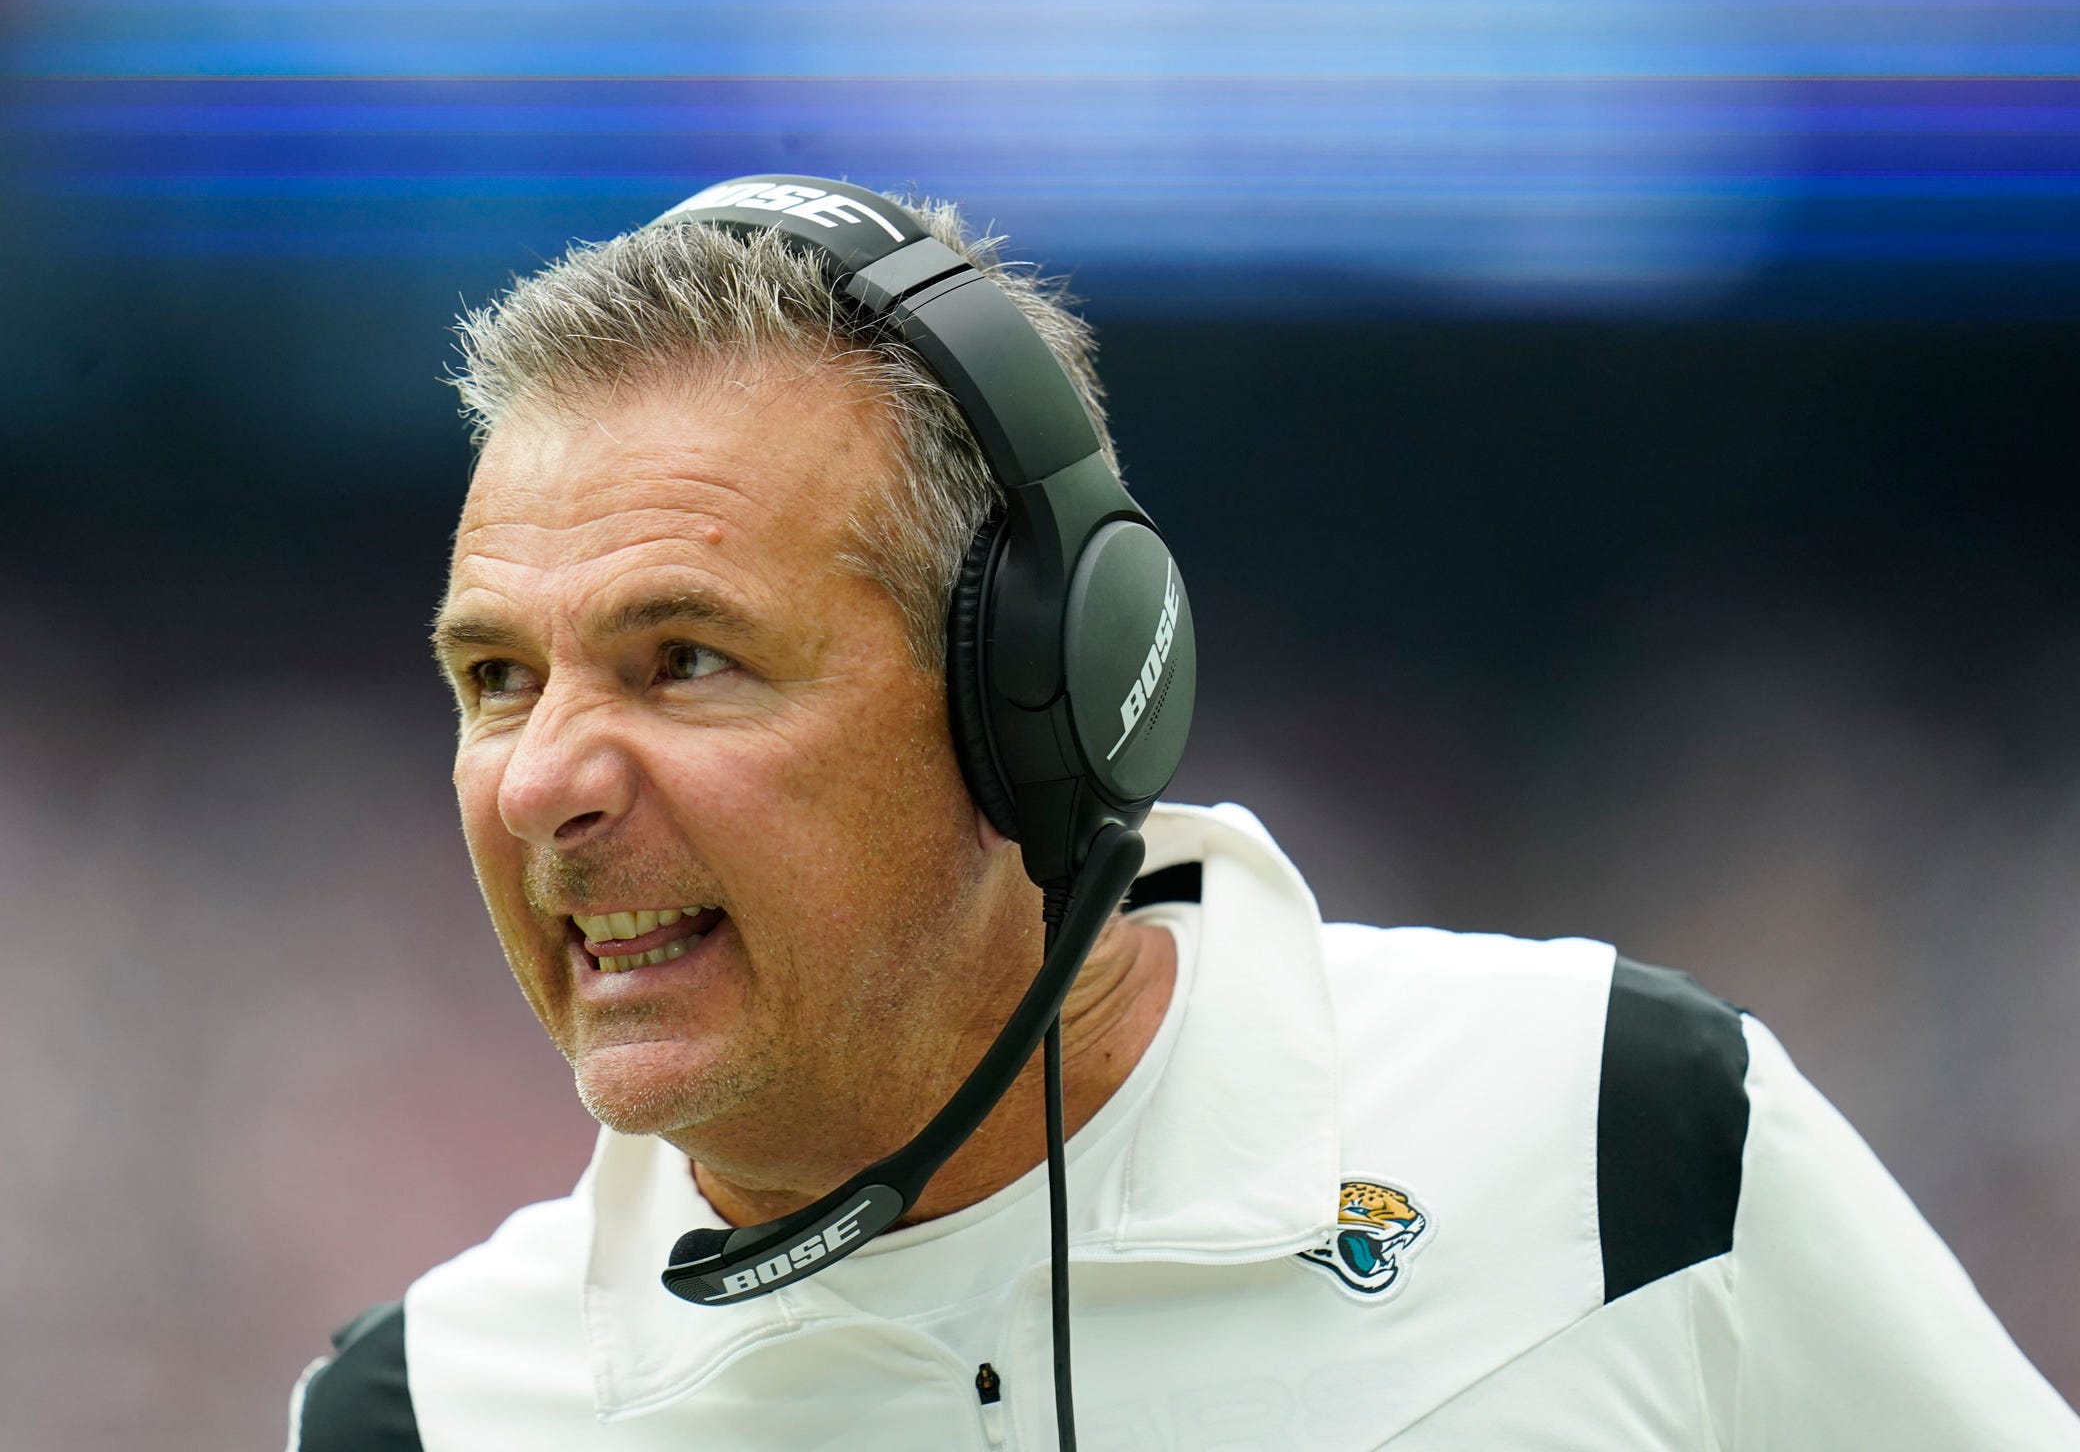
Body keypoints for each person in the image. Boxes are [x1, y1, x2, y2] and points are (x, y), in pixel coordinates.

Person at [287, 182, 2080, 1451]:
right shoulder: (423, 1412)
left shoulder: (1622, 1130)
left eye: (686, 660)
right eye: (497, 680)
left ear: (1034, 704)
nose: (546, 782)